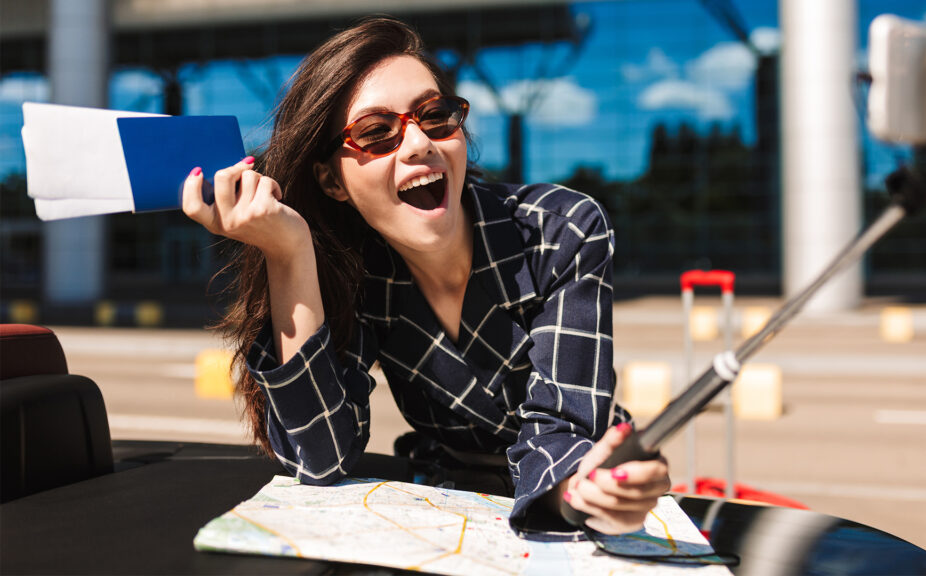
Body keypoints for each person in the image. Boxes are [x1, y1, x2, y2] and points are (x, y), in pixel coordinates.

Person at [182, 16, 670, 539]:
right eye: (375, 133)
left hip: (574, 489)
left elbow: (563, 431)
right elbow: (319, 457)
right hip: (448, 499)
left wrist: (587, 492)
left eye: (435, 115)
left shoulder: (561, 230)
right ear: (331, 181)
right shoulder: (358, 269)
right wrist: (289, 253)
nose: (418, 143)